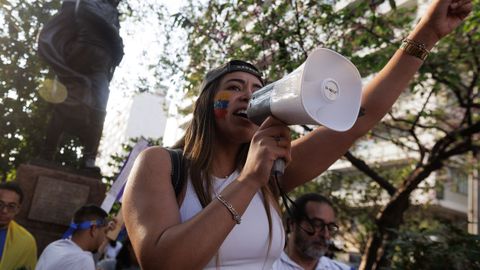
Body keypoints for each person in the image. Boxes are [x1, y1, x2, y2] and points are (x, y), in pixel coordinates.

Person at [122, 1, 473, 269]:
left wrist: (427, 33)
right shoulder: (161, 164)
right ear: (204, 106)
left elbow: (359, 117)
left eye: (258, 90)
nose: (248, 95)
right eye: (234, 87)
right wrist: (247, 181)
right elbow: (162, 262)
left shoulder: (271, 177)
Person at [37, 0, 124, 171]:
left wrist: (117, 49)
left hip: (101, 65)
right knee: (63, 104)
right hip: (79, 57)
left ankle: (89, 158)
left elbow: (114, 40)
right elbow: (89, 14)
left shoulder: (114, 11)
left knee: (99, 108)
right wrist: (115, 37)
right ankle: (47, 152)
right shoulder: (87, 1)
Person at [273, 193, 353, 270]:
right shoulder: (267, 266)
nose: (325, 235)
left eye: (330, 228)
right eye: (317, 224)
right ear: (291, 225)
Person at [36, 204, 114, 270]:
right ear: (93, 229)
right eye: (105, 232)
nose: (104, 237)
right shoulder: (83, 261)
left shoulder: (54, 246)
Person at [0, 182, 37, 270]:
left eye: (11, 206)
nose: (4, 210)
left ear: (18, 210)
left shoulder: (26, 241)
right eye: (0, 204)